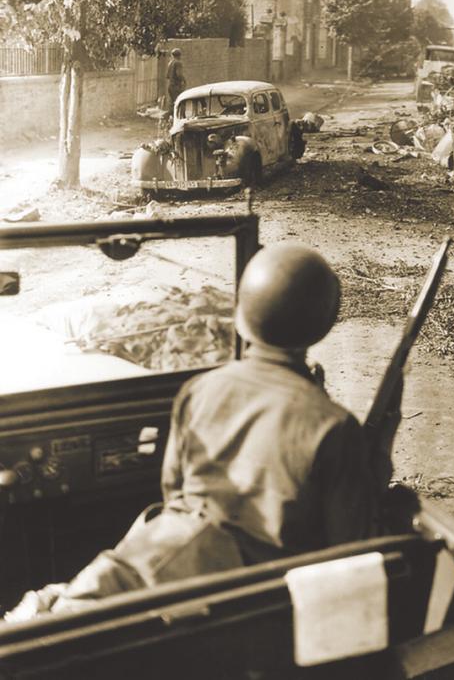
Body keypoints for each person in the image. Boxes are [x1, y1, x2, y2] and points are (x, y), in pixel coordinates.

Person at [4, 244, 400, 620]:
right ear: (323, 325)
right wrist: (378, 455)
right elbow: (352, 551)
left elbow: (174, 492)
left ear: (242, 316)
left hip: (157, 562)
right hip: (249, 600)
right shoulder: (332, 424)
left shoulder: (199, 389)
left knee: (58, 607)